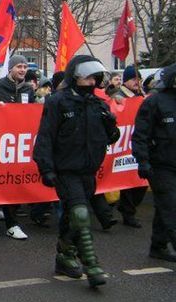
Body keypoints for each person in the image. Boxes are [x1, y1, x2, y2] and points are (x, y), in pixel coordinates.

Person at [34, 55, 120, 287]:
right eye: (87, 76)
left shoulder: (98, 104)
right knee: (81, 214)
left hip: (88, 171)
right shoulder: (58, 102)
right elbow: (45, 137)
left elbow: (111, 138)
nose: (91, 81)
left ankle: (65, 254)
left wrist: (111, 124)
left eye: (95, 77)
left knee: (73, 216)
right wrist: (46, 168)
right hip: (66, 170)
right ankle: (91, 264)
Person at [0, 54, 34, 240]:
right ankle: (4, 219)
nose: (22, 70)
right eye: (19, 66)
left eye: (25, 67)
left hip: (19, 144)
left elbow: (31, 114)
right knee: (3, 180)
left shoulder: (28, 89)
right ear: (10, 68)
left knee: (13, 181)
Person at [131, 62, 176, 262]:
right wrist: (142, 161)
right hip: (161, 165)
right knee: (173, 206)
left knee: (165, 206)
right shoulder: (155, 102)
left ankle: (158, 246)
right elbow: (140, 134)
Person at [113, 65, 147, 228]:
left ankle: (128, 208)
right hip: (124, 145)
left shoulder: (141, 96)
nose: (137, 81)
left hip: (139, 143)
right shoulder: (118, 96)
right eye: (133, 79)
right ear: (126, 81)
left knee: (141, 181)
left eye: (138, 79)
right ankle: (128, 212)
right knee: (127, 180)